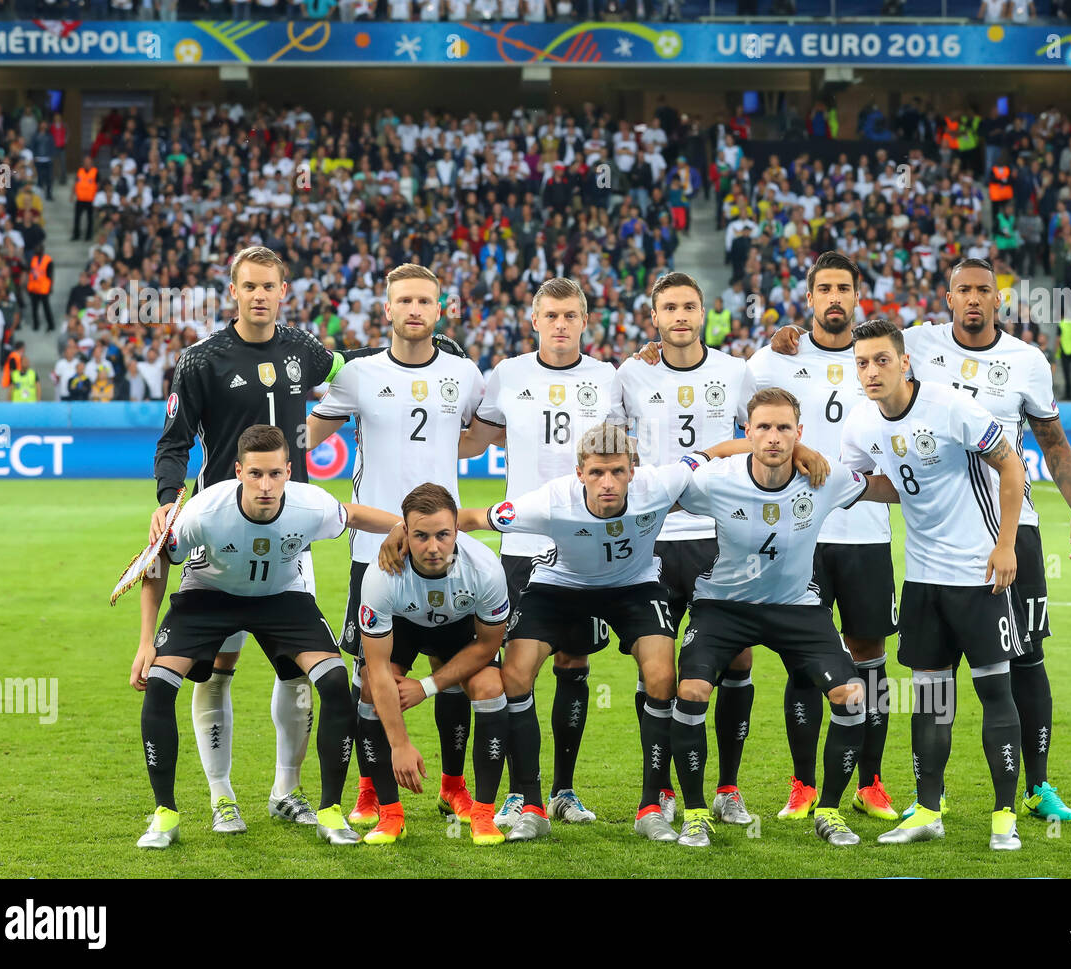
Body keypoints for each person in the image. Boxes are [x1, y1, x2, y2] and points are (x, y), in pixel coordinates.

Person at [380, 423, 827, 843]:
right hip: (561, 588)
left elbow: (715, 451)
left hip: (633, 587)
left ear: (634, 471)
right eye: (597, 472)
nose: (608, 482)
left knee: (661, 677)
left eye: (617, 471)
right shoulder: (552, 500)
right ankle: (530, 804)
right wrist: (404, 527)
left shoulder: (661, 482)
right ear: (580, 473)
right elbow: (472, 517)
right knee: (514, 676)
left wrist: (797, 450)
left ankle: (650, 807)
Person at [770, 256, 1071, 824]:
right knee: (932, 684)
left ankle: (1035, 789)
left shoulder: (1027, 361)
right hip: (933, 556)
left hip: (1013, 530)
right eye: (962, 289)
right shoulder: (916, 341)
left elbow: (1049, 439)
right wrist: (795, 334)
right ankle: (929, 803)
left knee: (1027, 658)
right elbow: (852, 331)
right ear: (947, 297)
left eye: (983, 290)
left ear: (998, 299)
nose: (972, 298)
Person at [150, 245, 383, 835]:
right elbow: (174, 440)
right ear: (234, 291)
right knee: (217, 669)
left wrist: (408, 356)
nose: (259, 295)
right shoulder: (200, 360)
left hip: (290, 531)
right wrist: (165, 503)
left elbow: (349, 368)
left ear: (284, 292)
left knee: (297, 672)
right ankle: (222, 795)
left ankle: (287, 788)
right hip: (219, 533)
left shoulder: (304, 349)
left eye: (269, 286)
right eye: (249, 286)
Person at [128, 424, 401, 849]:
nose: (266, 485)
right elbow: (158, 561)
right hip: (208, 595)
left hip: (281, 597)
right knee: (160, 685)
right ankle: (166, 814)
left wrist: (403, 527)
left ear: (289, 471)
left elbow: (354, 514)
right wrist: (146, 642)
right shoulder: (204, 511)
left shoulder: (310, 506)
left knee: (332, 683)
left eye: (275, 474)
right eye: (255, 474)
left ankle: (330, 811)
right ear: (237, 471)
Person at [670, 388, 901, 848]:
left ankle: (830, 811)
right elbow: (659, 496)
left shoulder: (826, 478)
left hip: (797, 607)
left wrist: (943, 476)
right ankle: (696, 812)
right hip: (724, 606)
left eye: (784, 428)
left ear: (800, 434)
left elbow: (887, 489)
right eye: (763, 428)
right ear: (747, 432)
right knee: (691, 690)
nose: (773, 437)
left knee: (853, 696)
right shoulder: (717, 480)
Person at [306, 264, 485, 839]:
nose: (414, 309)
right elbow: (307, 436)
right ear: (386, 309)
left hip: (443, 545)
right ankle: (369, 789)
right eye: (403, 300)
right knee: (371, 674)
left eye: (424, 301)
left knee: (449, 673)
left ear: (440, 310)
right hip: (374, 549)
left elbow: (485, 432)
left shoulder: (465, 374)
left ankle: (454, 789)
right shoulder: (358, 375)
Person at [841, 318, 1029, 851]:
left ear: (905, 362)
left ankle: (1003, 817)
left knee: (995, 690)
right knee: (930, 700)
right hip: (922, 579)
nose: (872, 371)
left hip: (979, 572)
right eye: (862, 362)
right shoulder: (860, 423)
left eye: (881, 359)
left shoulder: (951, 407)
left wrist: (1007, 544)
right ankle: (927, 809)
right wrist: (843, 485)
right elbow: (891, 487)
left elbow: (1011, 467)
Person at [455, 278, 619, 827]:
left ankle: (564, 793)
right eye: (551, 315)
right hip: (522, 546)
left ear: (586, 319)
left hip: (586, 546)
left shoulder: (608, 379)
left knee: (574, 664)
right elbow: (477, 440)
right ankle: (520, 793)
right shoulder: (508, 375)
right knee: (512, 672)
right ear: (533, 320)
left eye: (571, 315)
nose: (561, 324)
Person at [746, 252, 901, 824]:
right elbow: (720, 397)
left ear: (858, 296)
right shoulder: (773, 359)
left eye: (844, 288)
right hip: (799, 536)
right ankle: (803, 785)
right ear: (808, 298)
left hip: (865, 535)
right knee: (803, 659)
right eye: (824, 288)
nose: (834, 297)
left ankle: (873, 782)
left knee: (870, 657)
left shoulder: (881, 361)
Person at [612, 272, 759, 825]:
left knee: (738, 660)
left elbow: (765, 432)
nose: (679, 315)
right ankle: (659, 794)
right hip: (650, 541)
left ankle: (728, 788)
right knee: (658, 672)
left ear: (704, 314)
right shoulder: (631, 373)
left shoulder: (733, 370)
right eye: (668, 307)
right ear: (653, 317)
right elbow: (612, 446)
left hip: (721, 537)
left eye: (689, 306)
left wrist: (720, 455)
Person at [356, 484, 511, 846]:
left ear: (457, 530)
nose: (433, 547)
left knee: (490, 687)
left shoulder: (485, 569)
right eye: (420, 536)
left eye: (443, 535)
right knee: (368, 688)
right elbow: (378, 670)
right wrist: (400, 745)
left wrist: (427, 686)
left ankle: (482, 815)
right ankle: (391, 815)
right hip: (403, 625)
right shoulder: (381, 577)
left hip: (460, 629)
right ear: (404, 533)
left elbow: (488, 645)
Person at [73, 155, 98, 242]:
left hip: (90, 200)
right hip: (80, 199)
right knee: (77, 218)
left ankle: (88, 236)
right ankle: (76, 235)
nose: (87, 163)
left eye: (88, 161)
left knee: (89, 219)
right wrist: (72, 194)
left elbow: (98, 185)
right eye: (85, 161)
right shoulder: (80, 171)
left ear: (91, 162)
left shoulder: (95, 172)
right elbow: (76, 183)